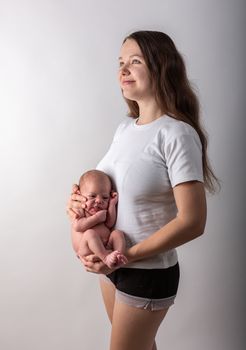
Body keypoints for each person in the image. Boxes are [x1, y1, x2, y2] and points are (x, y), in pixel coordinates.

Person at [67, 30, 219, 350]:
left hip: (144, 271)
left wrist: (125, 257)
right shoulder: (125, 128)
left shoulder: (177, 134)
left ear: (162, 66)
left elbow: (193, 221)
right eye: (120, 62)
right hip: (115, 266)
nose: (123, 70)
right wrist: (80, 201)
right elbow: (111, 189)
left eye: (135, 61)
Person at [71, 169, 127, 268]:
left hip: (105, 246)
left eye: (105, 198)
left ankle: (118, 256)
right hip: (86, 248)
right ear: (79, 195)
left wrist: (112, 204)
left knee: (117, 233)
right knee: (90, 233)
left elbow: (110, 223)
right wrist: (96, 218)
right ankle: (106, 258)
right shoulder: (81, 209)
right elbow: (77, 226)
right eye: (92, 196)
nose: (99, 200)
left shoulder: (103, 211)